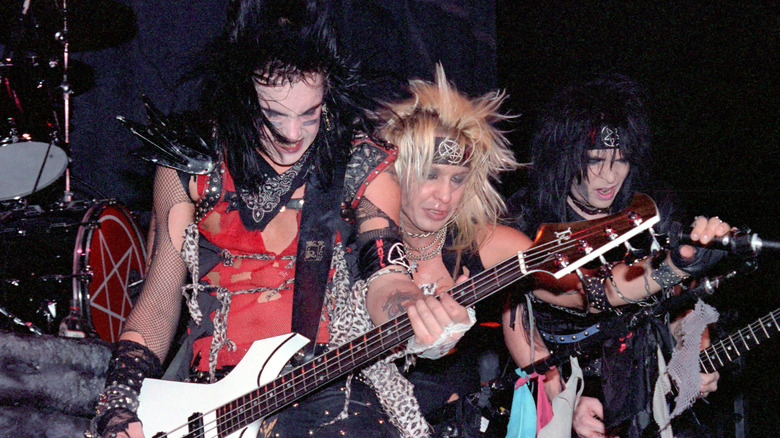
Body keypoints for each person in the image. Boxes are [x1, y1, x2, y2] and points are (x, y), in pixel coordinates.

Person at [88, 2, 471, 437]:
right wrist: (117, 403)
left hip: (325, 387)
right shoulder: (193, 167)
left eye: (310, 113)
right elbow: (159, 300)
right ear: (241, 98)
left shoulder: (359, 165)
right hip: (209, 400)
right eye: (273, 115)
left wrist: (411, 310)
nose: (293, 134)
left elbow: (385, 275)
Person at [501, 74, 729, 438]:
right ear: (565, 158)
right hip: (560, 372)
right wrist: (562, 400)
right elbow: (515, 316)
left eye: (621, 160)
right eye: (594, 160)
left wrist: (691, 354)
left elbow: (684, 306)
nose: (609, 175)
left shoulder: (653, 208)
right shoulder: (527, 215)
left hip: (641, 377)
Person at [376, 64, 534, 434]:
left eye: (458, 179)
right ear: (397, 170)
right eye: (431, 174)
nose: (444, 197)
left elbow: (573, 287)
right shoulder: (357, 245)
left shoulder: (484, 244)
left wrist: (668, 271)